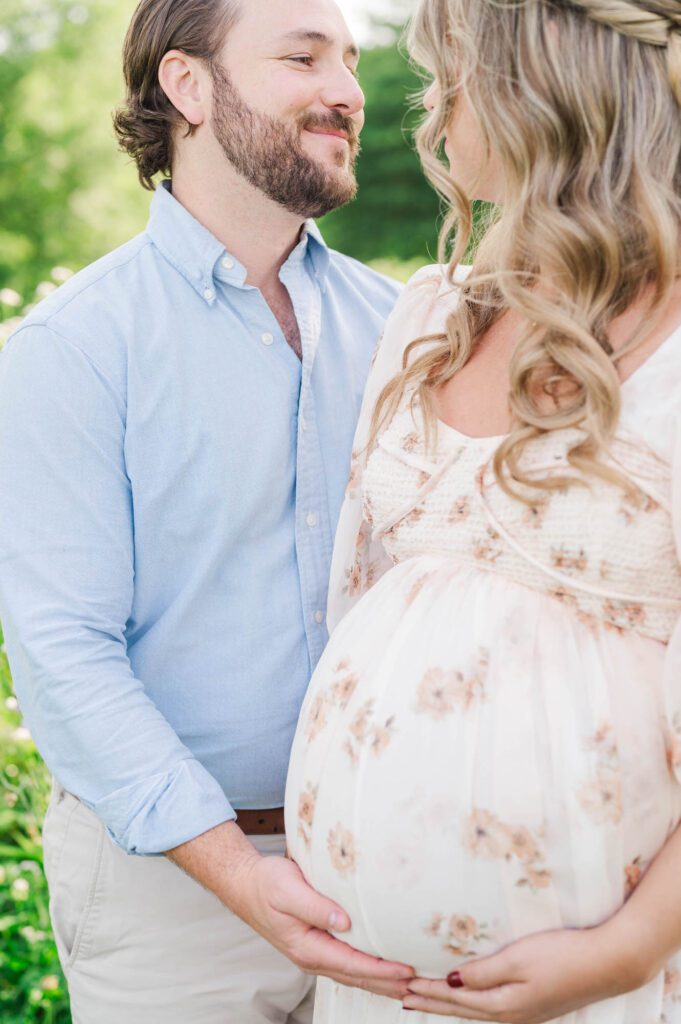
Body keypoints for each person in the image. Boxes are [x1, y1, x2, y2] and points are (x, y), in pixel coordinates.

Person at [0, 0, 410, 1021]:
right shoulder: (75, 350)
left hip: (388, 864)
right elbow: (66, 653)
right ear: (187, 86)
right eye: (304, 57)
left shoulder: (402, 330)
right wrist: (239, 872)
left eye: (351, 61)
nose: (349, 92)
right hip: (169, 900)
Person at [284, 0, 681, 1020]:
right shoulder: (431, 313)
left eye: (446, 77)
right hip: (374, 980)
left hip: (595, 976)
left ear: (531, 89)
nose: (429, 114)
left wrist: (633, 947)